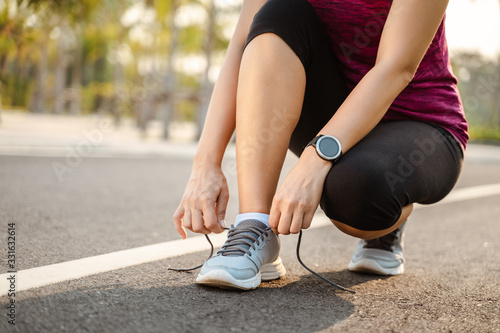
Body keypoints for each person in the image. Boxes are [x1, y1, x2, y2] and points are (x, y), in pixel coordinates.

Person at [172, 0, 468, 290]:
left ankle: (391, 216)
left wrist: (315, 159)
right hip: (329, 108)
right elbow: (242, 46)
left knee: (355, 193)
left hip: (418, 121)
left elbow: (396, 67)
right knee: (279, 11)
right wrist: (205, 165)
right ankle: (254, 225)